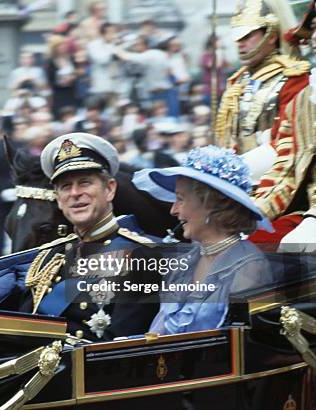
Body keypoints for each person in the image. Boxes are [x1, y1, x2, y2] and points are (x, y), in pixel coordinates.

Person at [18, 132, 160, 341]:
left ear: (109, 189)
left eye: (84, 183)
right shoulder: (50, 258)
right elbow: (22, 330)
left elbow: (120, 347)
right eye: (66, 186)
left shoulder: (142, 257)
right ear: (58, 199)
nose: (75, 193)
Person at [133, 146, 274, 335]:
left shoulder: (249, 267)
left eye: (180, 199)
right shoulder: (186, 261)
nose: (173, 210)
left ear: (211, 205)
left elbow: (245, 348)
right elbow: (158, 333)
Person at [253, 2, 316, 250]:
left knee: (295, 246)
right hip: (310, 207)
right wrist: (257, 211)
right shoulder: (304, 99)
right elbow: (286, 166)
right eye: (313, 27)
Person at [215, 0, 310, 156]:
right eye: (238, 37)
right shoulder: (237, 81)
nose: (240, 43)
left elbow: (290, 140)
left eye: (247, 36)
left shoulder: (292, 77)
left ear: (271, 36)